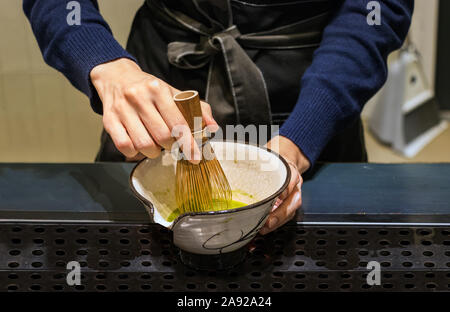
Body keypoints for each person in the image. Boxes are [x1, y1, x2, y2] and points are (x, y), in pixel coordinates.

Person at [24, 0, 413, 234]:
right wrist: (105, 65)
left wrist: (300, 139)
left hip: (314, 91)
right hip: (160, 82)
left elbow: (373, 12)